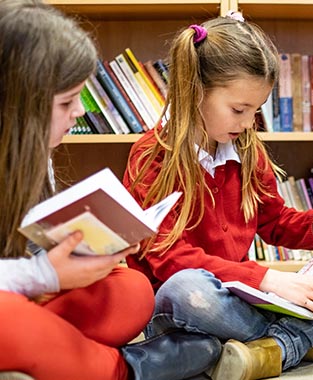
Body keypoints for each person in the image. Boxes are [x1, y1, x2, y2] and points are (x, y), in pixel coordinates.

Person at [123, 11, 313, 380]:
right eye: (239, 110)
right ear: (195, 91)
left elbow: (273, 221)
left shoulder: (246, 149)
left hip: (246, 299)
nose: (248, 124)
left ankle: (270, 349)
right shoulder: (151, 156)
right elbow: (169, 260)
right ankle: (306, 341)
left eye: (256, 111)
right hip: (191, 303)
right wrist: (264, 279)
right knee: (189, 288)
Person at [0, 1, 220, 380]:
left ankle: (55, 352)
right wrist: (43, 275)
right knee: (10, 320)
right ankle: (124, 368)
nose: (80, 113)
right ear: (15, 105)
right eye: (67, 102)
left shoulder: (33, 156)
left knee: (132, 290)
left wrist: (91, 253)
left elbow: (32, 255)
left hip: (23, 290)